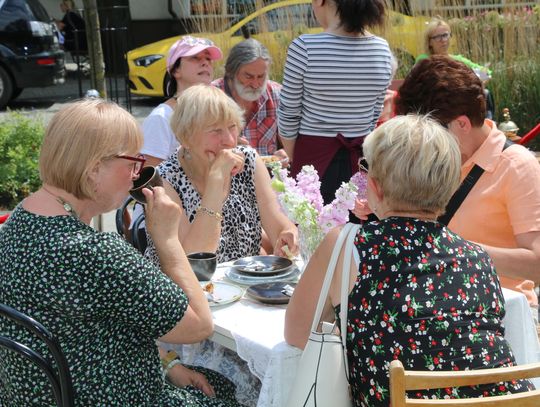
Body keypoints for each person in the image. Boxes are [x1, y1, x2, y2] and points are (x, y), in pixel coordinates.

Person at [0, 99, 244, 407]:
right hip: (110, 396)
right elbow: (199, 326)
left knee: (213, 380)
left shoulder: (19, 221)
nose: (136, 175)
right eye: (132, 163)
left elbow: (86, 326)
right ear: (94, 169)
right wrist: (167, 239)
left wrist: (168, 363)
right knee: (233, 389)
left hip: (34, 394)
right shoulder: (95, 253)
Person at [285, 114, 533, 406]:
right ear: (450, 187)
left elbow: (298, 333)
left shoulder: (348, 244)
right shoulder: (477, 258)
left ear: (375, 186)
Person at [394, 55, 540, 306]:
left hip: (500, 316)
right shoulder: (435, 159)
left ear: (461, 123)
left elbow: (536, 264)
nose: (423, 143)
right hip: (437, 309)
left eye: (430, 134)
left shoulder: (516, 165)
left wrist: (458, 251)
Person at [144, 84, 298, 265]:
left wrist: (287, 236)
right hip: (189, 288)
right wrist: (216, 182)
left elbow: (278, 224)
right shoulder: (164, 181)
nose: (230, 141)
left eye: (232, 127)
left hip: (245, 283)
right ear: (185, 137)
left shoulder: (248, 161)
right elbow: (194, 262)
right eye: (216, 131)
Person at [278, 0, 393, 204]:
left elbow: (289, 112)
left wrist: (291, 154)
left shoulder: (304, 47)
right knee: (355, 231)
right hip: (361, 161)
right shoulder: (381, 49)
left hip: (311, 162)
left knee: (311, 229)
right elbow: (374, 115)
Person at [142, 36, 223, 167]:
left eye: (208, 58)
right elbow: (151, 177)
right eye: (195, 58)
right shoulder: (161, 118)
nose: (205, 63)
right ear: (176, 70)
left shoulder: (218, 110)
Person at [212, 39, 287, 160]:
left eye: (261, 76)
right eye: (248, 76)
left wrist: (285, 153)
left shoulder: (277, 94)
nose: (256, 84)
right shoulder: (211, 98)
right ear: (231, 72)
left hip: (270, 175)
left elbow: (292, 142)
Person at [415, 17, 495, 118]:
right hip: (436, 107)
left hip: (459, 104)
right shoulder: (424, 60)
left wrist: (477, 82)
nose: (443, 40)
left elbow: (487, 73)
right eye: (437, 37)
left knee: (485, 94)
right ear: (430, 42)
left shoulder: (457, 59)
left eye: (445, 35)